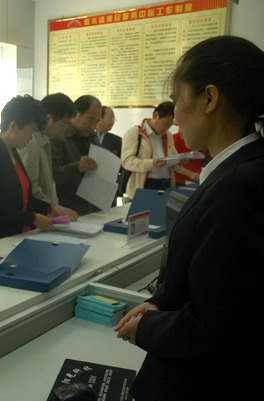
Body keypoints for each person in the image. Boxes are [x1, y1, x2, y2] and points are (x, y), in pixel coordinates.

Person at [114, 35, 264, 401]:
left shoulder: (238, 187)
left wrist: (147, 327)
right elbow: (222, 286)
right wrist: (162, 304)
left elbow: (216, 323)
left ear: (209, 98)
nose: (176, 117)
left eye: (179, 101)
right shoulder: (240, 170)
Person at [0, 95, 68, 242]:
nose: (31, 137)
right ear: (14, 126)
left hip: (17, 235)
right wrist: (34, 218)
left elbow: (23, 199)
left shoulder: (12, 151)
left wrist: (50, 208)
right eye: (31, 131)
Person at [120, 101, 199, 199]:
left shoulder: (168, 135)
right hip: (145, 185)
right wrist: (152, 163)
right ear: (156, 115)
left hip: (166, 184)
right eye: (165, 123)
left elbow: (172, 160)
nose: (166, 128)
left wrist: (179, 160)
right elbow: (126, 161)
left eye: (170, 125)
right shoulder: (135, 133)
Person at [19, 93, 78, 221]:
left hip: (46, 214)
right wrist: (53, 208)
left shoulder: (45, 138)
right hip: (36, 217)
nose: (63, 130)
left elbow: (48, 183)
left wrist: (56, 208)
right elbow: (31, 189)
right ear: (49, 119)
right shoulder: (31, 142)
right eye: (63, 124)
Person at [51, 95, 101, 216]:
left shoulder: (93, 138)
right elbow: (52, 173)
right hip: (65, 208)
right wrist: (77, 167)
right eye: (90, 119)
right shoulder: (58, 136)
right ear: (77, 113)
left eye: (97, 121)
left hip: (90, 205)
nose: (93, 126)